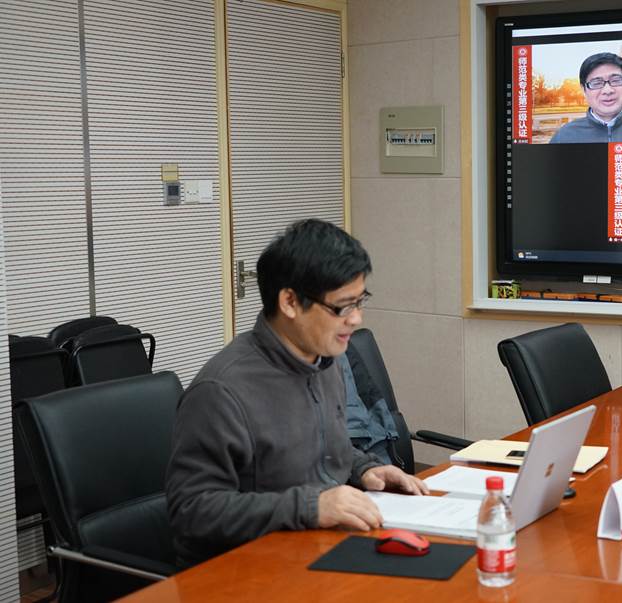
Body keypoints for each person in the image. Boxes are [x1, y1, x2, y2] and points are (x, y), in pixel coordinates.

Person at [166, 219, 428, 565]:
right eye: (342, 307)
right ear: (290, 302)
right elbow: (191, 511)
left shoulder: (325, 360)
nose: (356, 319)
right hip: (248, 568)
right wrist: (311, 507)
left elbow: (323, 447)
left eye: (360, 301)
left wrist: (364, 469)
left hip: (321, 545)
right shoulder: (222, 391)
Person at [550, 52, 622, 144]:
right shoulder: (565, 135)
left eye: (616, 80)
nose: (607, 90)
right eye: (596, 83)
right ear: (583, 89)